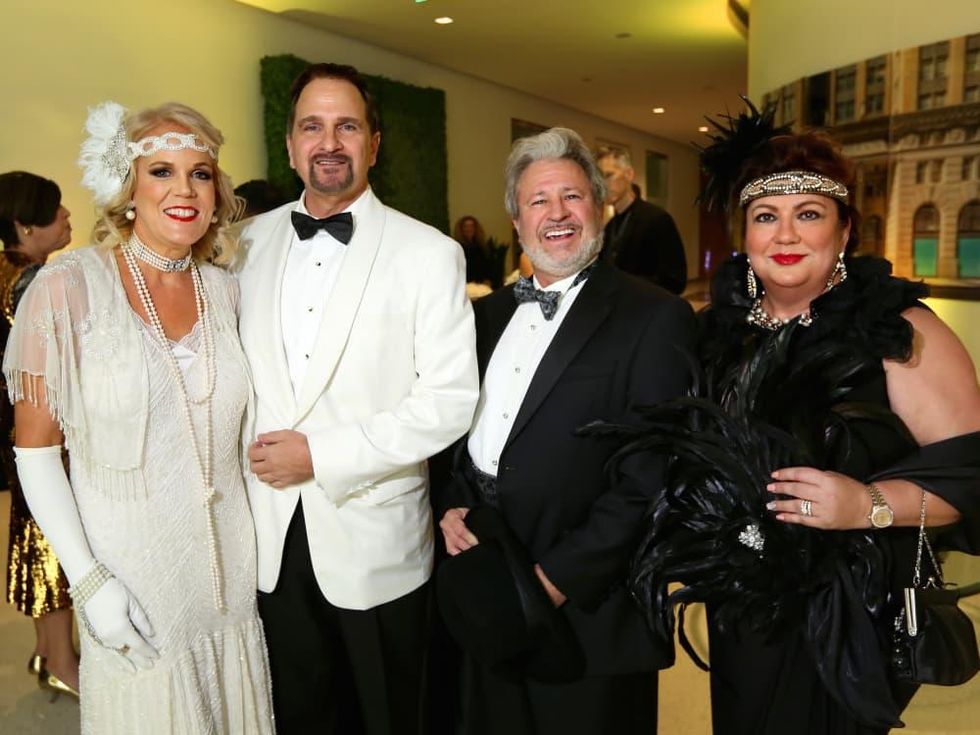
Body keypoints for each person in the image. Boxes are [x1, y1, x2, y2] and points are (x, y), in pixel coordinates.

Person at [621, 104, 980, 734]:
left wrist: (864, 504)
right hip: (743, 609)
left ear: (844, 232)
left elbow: (969, 480)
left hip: (848, 614)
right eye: (766, 217)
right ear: (745, 235)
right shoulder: (714, 335)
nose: (785, 236)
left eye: (807, 215)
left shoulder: (903, 334)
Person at [4, 101, 274, 733]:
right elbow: (35, 452)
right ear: (127, 190)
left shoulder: (227, 289)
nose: (183, 189)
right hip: (130, 569)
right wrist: (89, 581)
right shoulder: (67, 285)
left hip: (230, 568)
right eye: (160, 171)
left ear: (216, 193)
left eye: (200, 173)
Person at [235, 62, 478, 735]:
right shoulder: (242, 245)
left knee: (388, 713)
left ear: (375, 142)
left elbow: (450, 399)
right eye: (312, 126)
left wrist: (323, 455)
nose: (329, 142)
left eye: (347, 125)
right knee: (296, 711)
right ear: (289, 146)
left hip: (376, 538)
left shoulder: (429, 253)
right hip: (270, 538)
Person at [436, 127, 695, 735]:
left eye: (572, 197)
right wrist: (451, 504)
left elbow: (652, 477)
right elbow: (452, 431)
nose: (556, 214)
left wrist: (557, 581)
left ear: (600, 208)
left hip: (588, 605)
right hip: (487, 580)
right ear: (517, 220)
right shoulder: (484, 316)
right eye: (538, 201)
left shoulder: (655, 316)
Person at [0, 170, 78, 698]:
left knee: (35, 536)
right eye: (55, 211)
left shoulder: (12, 273)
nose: (68, 216)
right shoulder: (34, 283)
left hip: (22, 434)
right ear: (26, 228)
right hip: (43, 435)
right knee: (54, 540)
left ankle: (47, 650)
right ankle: (60, 659)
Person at [596, 147, 687, 294]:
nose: (603, 185)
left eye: (609, 175)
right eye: (599, 179)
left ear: (629, 174)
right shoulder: (610, 226)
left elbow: (675, 281)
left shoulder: (657, 219)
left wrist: (625, 285)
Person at [453, 215, 498, 287]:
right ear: (461, 229)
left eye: (471, 226)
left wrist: (487, 280)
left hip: (481, 284)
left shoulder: (481, 246)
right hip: (466, 284)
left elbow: (487, 266)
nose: (469, 229)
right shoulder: (458, 247)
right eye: (466, 226)